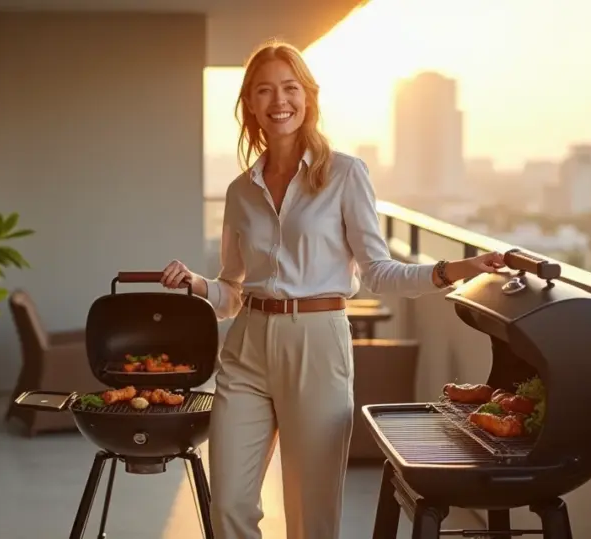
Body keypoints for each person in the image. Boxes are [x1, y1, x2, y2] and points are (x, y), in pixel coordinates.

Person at [159, 40, 505, 539]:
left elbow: (380, 272)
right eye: (265, 90)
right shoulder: (240, 191)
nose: (279, 100)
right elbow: (232, 292)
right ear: (251, 104)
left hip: (318, 343)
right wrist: (197, 284)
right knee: (228, 504)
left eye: (290, 88)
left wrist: (456, 268)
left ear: (308, 96)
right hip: (247, 346)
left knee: (312, 513)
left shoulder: (344, 174)